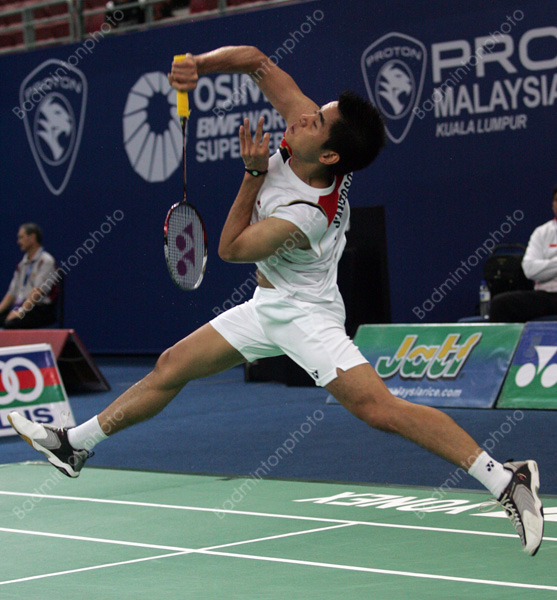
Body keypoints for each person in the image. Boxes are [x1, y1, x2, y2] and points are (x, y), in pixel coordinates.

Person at [8, 46, 544, 556]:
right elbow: (257, 62)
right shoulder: (308, 131)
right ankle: (74, 445)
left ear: (329, 155)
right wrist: (197, 65)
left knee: (379, 410)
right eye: (314, 110)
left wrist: (252, 175)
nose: (304, 115)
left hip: (307, 314)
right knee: (171, 365)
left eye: (317, 121)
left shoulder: (308, 214)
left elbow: (229, 248)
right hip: (268, 305)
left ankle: (505, 478)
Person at [490, 185, 557, 322]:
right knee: (501, 304)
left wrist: (547, 266)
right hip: (546, 295)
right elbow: (530, 269)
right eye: (556, 200)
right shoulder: (541, 232)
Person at [0, 223, 58, 329]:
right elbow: (11, 294)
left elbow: (38, 292)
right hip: (22, 306)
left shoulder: (46, 261)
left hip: (40, 310)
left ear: (32, 238)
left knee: (12, 324)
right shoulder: (22, 264)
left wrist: (21, 311)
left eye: (21, 237)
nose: (18, 242)